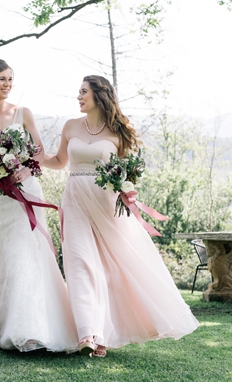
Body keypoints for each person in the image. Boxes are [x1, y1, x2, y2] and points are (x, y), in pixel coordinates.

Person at [42, 75, 199, 358]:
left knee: (111, 269)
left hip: (106, 205)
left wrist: (128, 188)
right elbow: (58, 162)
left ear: (99, 95)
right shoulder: (70, 126)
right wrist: (32, 156)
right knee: (79, 263)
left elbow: (127, 171)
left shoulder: (118, 132)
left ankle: (106, 333)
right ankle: (87, 334)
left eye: (83, 92)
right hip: (74, 201)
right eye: (78, 92)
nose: (78, 97)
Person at [0, 59, 78, 352]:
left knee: (25, 252)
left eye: (11, 79)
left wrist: (25, 170)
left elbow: (37, 151)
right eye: (2, 79)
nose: (8, 84)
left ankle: (28, 328)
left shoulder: (23, 113)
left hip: (26, 191)